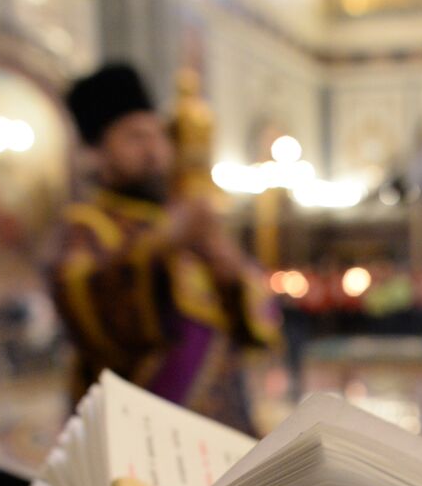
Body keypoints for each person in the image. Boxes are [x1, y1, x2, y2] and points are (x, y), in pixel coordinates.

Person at [47, 63, 276, 434]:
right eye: (135, 138)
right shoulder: (85, 225)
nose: (154, 150)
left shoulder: (185, 219)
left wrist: (232, 272)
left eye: (158, 135)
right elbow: (86, 305)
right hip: (137, 432)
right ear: (97, 152)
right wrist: (163, 242)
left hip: (224, 421)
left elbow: (254, 323)